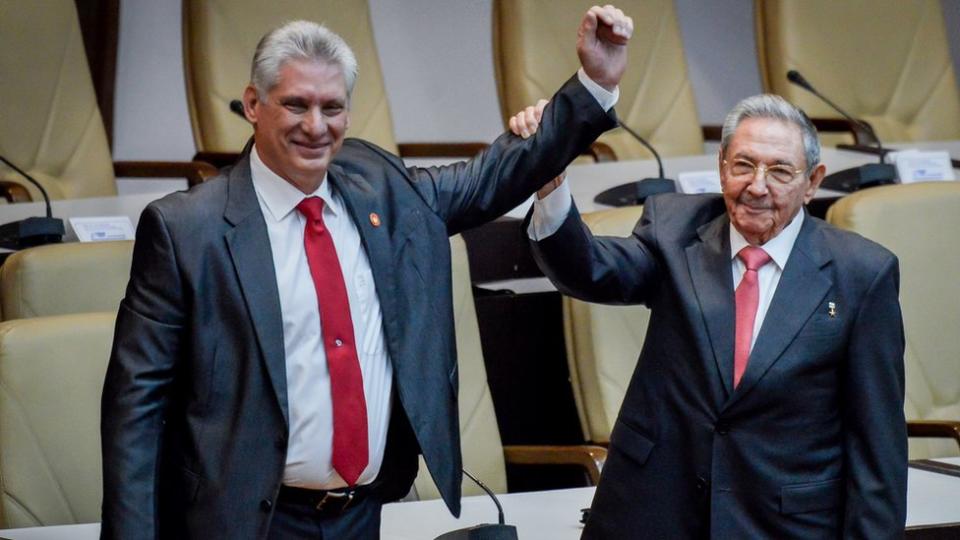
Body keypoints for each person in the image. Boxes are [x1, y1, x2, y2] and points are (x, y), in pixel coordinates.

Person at [100, 5, 633, 540]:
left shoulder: (380, 186)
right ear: (254, 105)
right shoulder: (185, 229)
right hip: (242, 521)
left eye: (332, 107)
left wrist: (594, 83)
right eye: (296, 104)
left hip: (361, 515)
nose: (316, 126)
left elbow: (490, 178)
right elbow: (135, 410)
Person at [514, 93, 907, 537]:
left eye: (779, 171)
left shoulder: (862, 274)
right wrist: (550, 183)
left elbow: (878, 449)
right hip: (654, 512)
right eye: (743, 165)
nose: (757, 186)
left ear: (813, 181)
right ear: (721, 166)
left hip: (781, 523)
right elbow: (588, 269)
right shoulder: (674, 230)